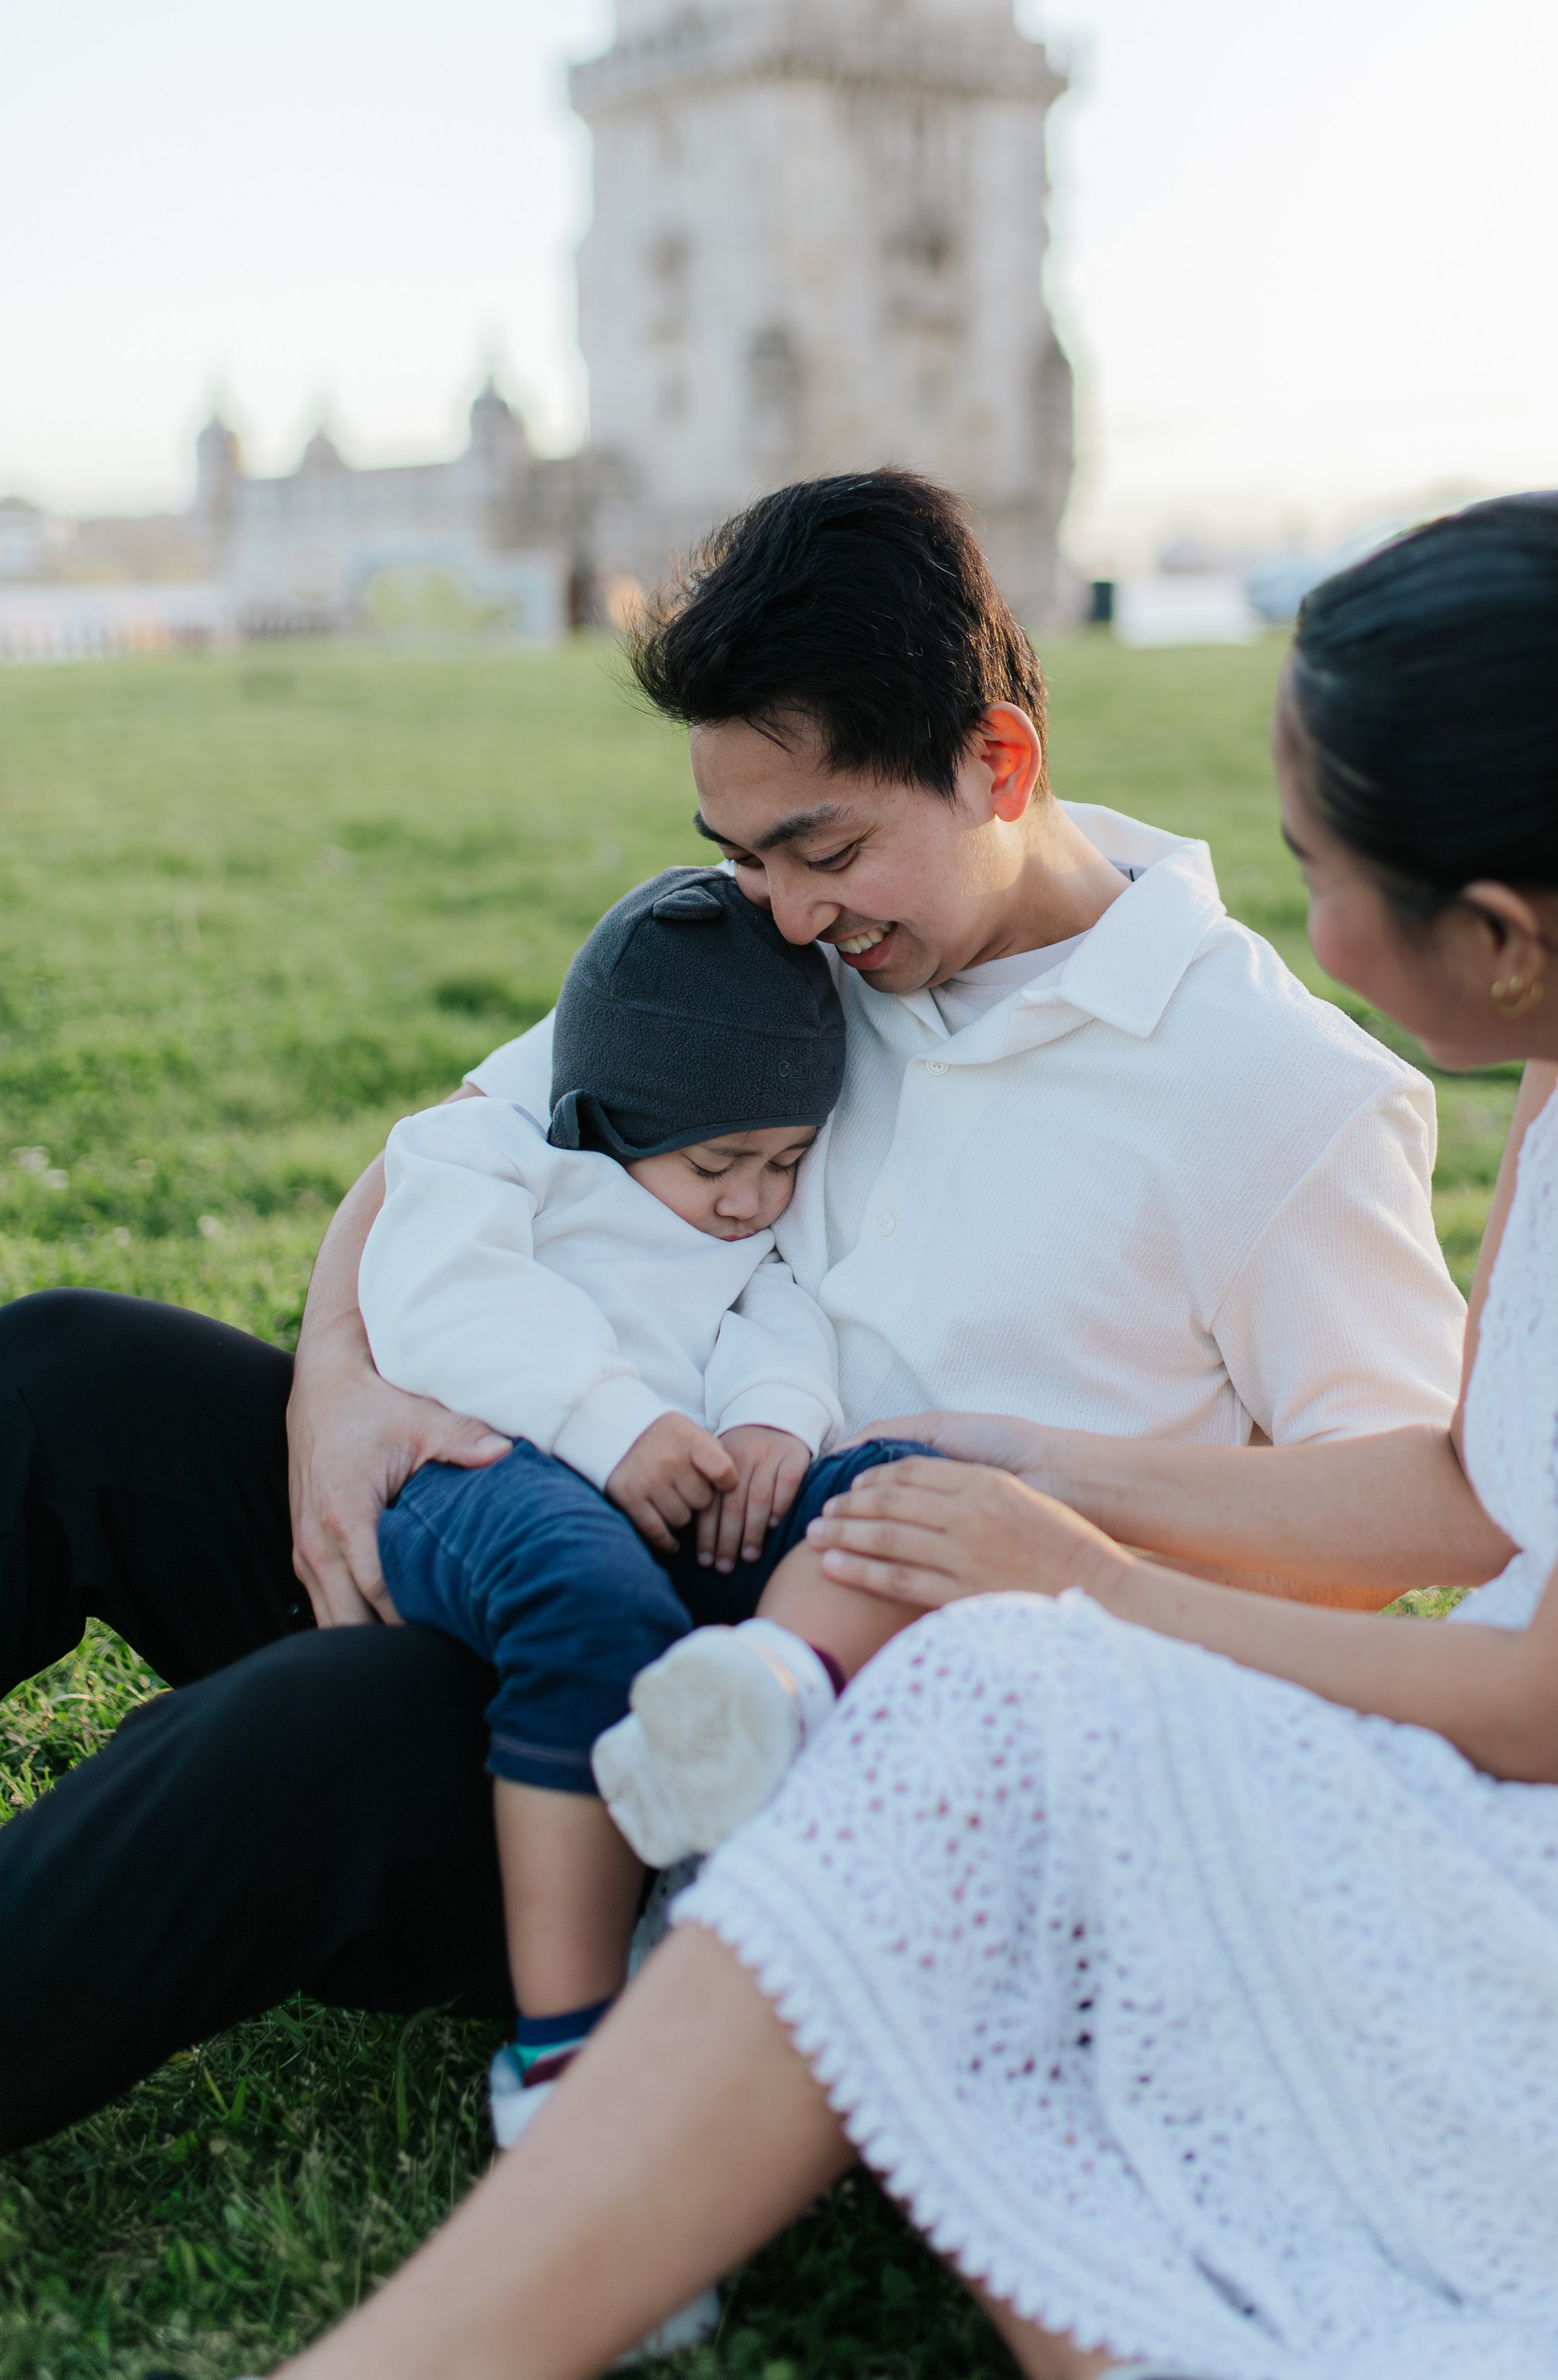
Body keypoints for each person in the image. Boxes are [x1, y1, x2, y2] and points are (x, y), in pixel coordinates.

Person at [278, 494, 1558, 2380]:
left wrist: (1081, 1583)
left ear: (1506, 931)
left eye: (1321, 869)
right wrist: (1015, 1469)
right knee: (986, 1711)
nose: (1301, 929)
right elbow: (1476, 1484)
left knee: (1007, 1697)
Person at [0, 470, 1463, 2148]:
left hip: (774, 1755)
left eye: (821, 849)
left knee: (322, 1734)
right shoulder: (784, 951)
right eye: (742, 855)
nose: (779, 910)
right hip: (553, 1532)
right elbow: (467, 1147)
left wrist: (1014, 1481)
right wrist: (337, 1382)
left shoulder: (1274, 1092)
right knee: (69, 1375)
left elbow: (1403, 1510)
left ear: (1000, 762)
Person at [360, 862, 930, 2146]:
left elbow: (779, 1306)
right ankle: (565, 2064)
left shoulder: (746, 1222)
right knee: (589, 1600)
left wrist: (775, 1420)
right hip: (495, 1471)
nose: (751, 1199)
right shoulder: (491, 1160)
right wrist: (612, 1426)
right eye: (724, 1161)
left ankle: (758, 1722)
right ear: (607, 1106)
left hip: (685, 1486)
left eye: (786, 1162)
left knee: (907, 1491)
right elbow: (445, 1307)